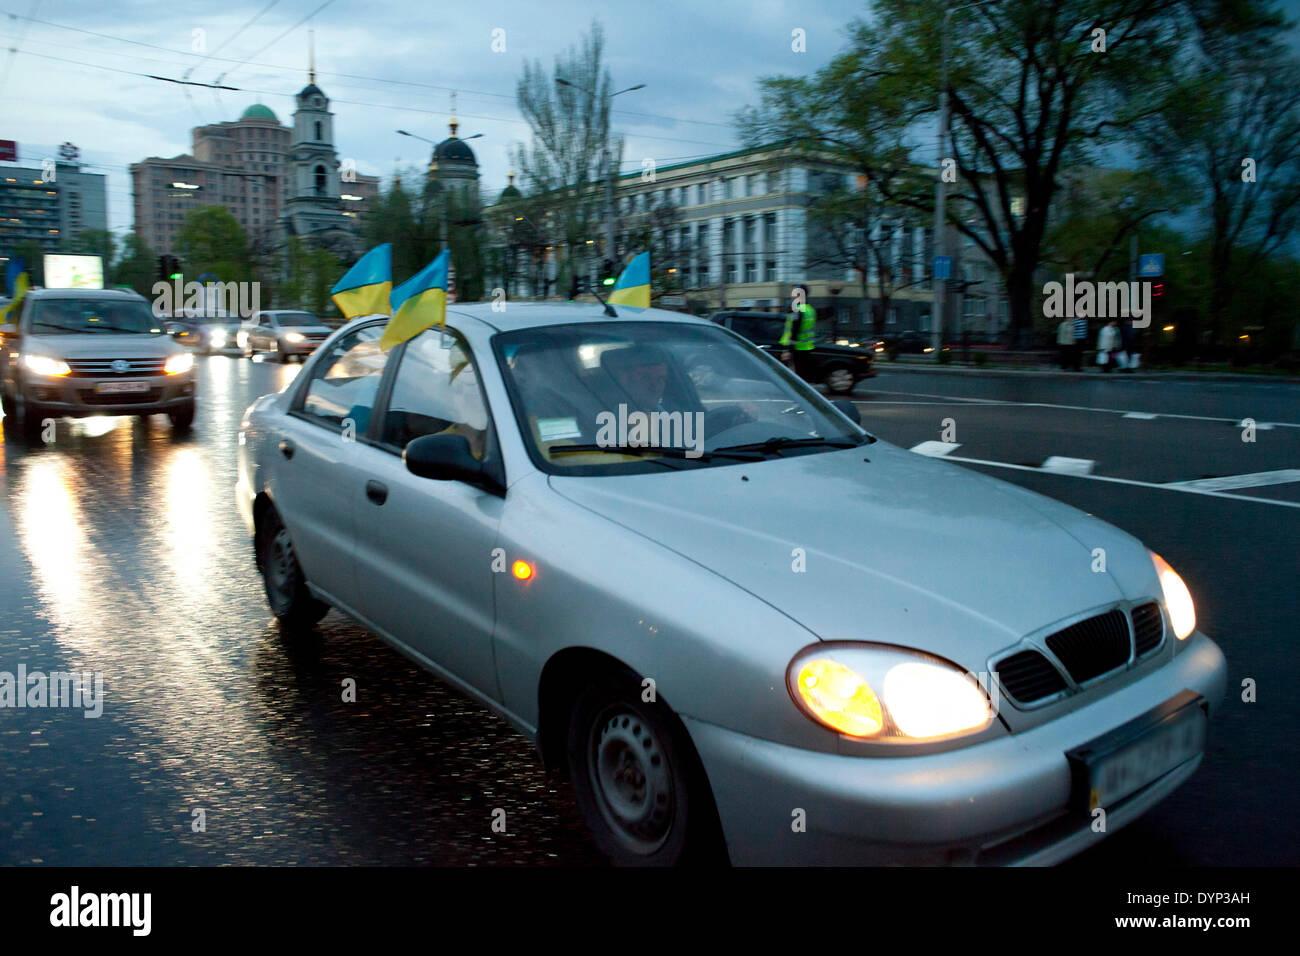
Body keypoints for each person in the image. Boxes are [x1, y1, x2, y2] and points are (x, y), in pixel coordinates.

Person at [780, 283, 817, 380]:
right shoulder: (810, 310)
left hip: (797, 349)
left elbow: (794, 330)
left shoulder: (797, 310)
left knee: (796, 376)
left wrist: (787, 350)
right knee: (803, 375)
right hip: (808, 347)